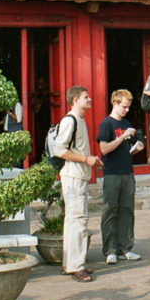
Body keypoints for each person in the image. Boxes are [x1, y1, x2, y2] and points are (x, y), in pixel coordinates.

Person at [55, 85, 102, 282]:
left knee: (73, 220)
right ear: (76, 100)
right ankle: (76, 266)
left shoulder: (79, 120)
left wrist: (90, 160)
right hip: (73, 176)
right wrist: (85, 160)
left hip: (78, 175)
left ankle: (70, 262)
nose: (89, 99)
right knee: (78, 220)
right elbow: (59, 150)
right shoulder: (70, 120)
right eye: (86, 97)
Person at [98, 89, 144, 264]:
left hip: (127, 171)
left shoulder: (126, 123)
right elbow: (104, 149)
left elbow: (126, 149)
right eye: (124, 107)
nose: (126, 110)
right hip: (111, 173)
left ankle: (126, 246)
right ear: (115, 104)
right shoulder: (106, 124)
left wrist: (136, 148)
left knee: (127, 210)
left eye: (128, 107)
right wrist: (122, 137)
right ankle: (110, 249)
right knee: (110, 210)